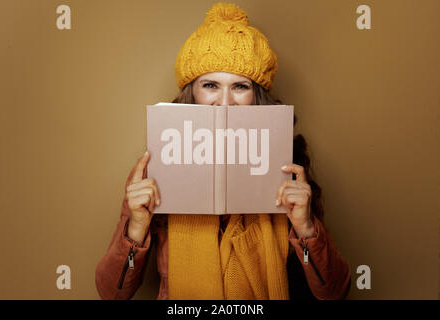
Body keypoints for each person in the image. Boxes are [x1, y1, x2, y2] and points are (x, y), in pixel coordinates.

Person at [95, 1, 351, 300]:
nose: (225, 102)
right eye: (211, 85)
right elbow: (111, 294)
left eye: (240, 86)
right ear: (191, 93)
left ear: (257, 96)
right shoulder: (154, 172)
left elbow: (335, 293)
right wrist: (136, 227)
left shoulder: (288, 169)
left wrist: (306, 228)